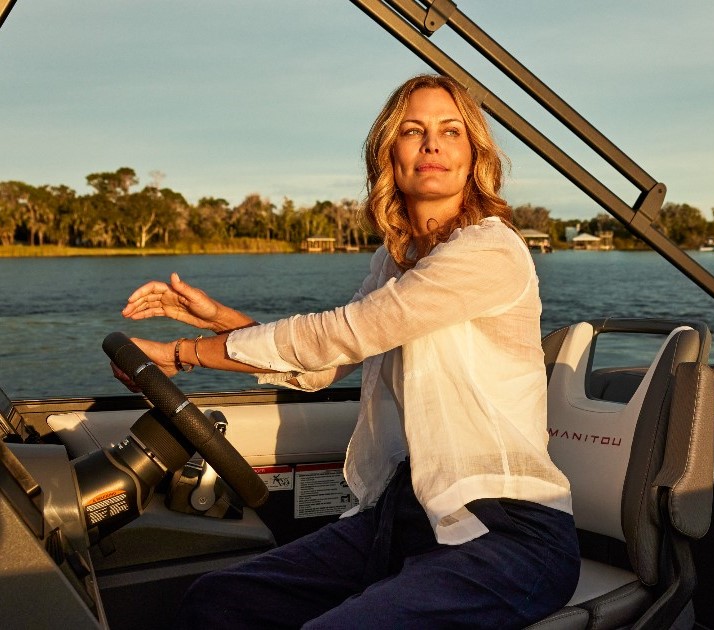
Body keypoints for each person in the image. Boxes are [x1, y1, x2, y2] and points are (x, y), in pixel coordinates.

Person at [116, 74, 579, 629]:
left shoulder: (489, 250)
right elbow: (326, 362)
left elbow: (345, 331)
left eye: (450, 131)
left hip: (509, 534)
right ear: (390, 154)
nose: (432, 144)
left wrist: (185, 353)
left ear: (473, 154)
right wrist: (221, 322)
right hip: (405, 517)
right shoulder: (396, 260)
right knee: (219, 600)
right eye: (413, 130)